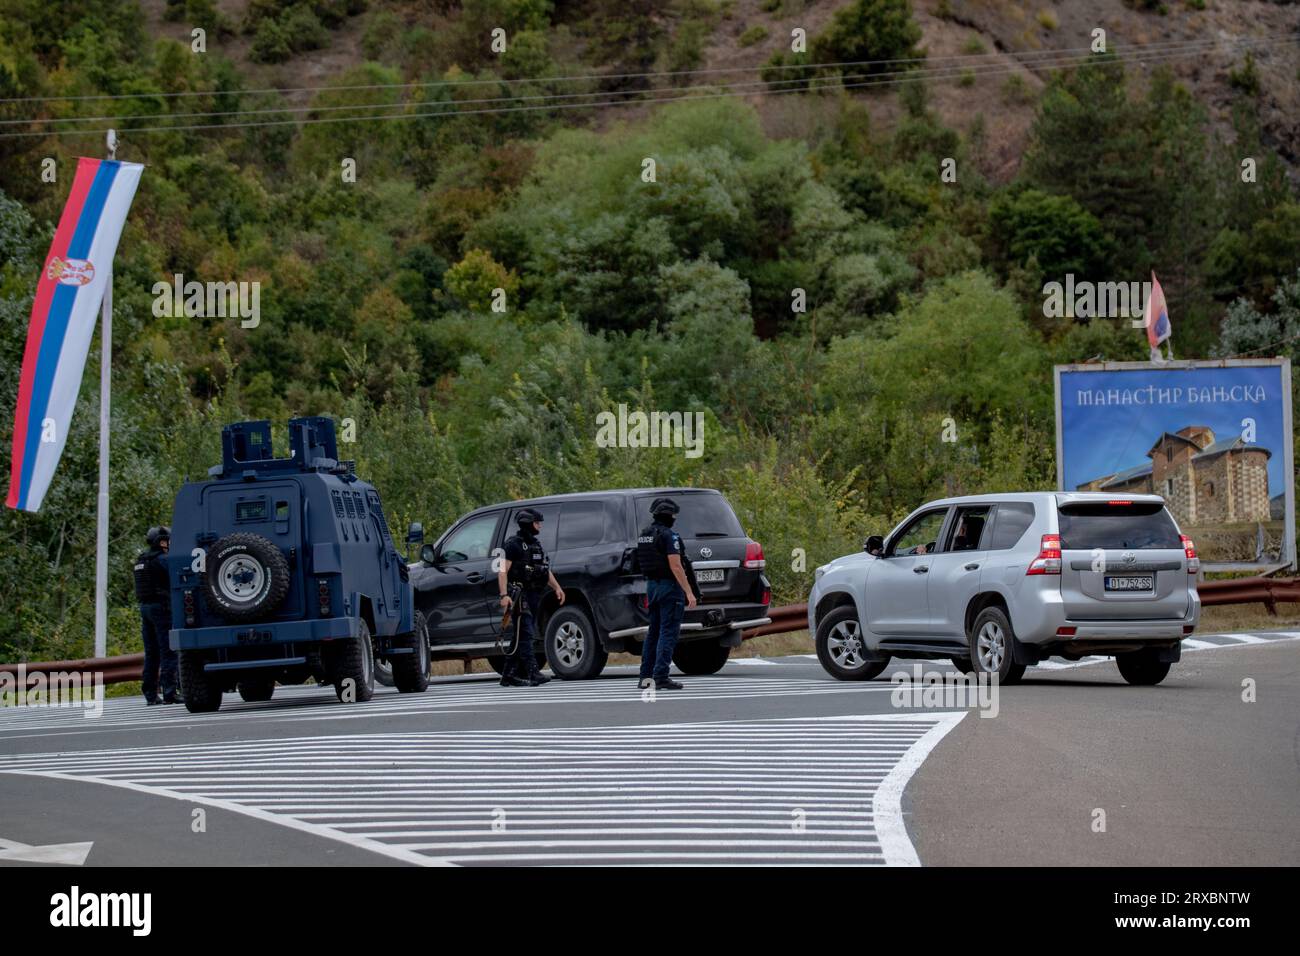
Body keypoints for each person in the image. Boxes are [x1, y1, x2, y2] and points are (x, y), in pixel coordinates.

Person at [497, 507, 565, 687]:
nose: (539, 526)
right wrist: (504, 595)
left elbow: (544, 570)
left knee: (520, 634)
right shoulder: (513, 544)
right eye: (537, 523)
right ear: (528, 523)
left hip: (534, 594)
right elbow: (502, 571)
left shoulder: (536, 545)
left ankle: (508, 675)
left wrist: (557, 587)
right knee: (526, 632)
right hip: (519, 594)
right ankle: (533, 672)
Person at [635, 498, 697, 691]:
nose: (674, 519)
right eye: (673, 516)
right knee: (668, 633)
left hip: (652, 587)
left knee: (653, 632)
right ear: (668, 515)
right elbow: (676, 566)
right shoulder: (669, 536)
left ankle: (645, 677)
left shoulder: (645, 535)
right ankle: (661, 676)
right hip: (669, 588)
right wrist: (689, 592)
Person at [134, 526, 181, 705]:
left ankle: (151, 694)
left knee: (152, 653)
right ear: (161, 541)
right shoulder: (162, 560)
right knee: (168, 651)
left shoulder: (141, 560)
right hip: (161, 609)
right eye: (167, 540)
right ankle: (170, 692)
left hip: (145, 609)